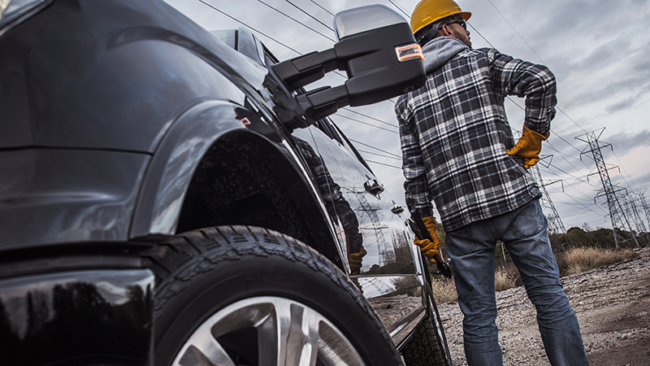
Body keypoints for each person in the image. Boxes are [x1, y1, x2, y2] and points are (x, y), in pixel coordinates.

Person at [395, 0, 590, 365]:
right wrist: (533, 137)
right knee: (549, 298)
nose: (469, 33)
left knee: (479, 320)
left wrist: (427, 230)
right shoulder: (482, 60)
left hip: (461, 219)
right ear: (446, 29)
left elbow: (414, 172)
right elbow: (541, 79)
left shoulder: (407, 97)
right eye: (464, 26)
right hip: (512, 198)